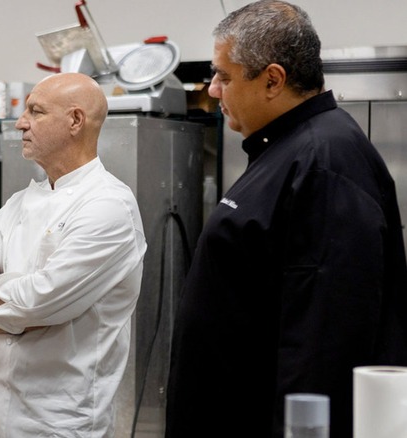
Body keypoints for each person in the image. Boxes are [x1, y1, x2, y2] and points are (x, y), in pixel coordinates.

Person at [165, 2, 407, 437]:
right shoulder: (286, 150)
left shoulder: (325, 163)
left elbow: (324, 344)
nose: (214, 90)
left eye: (224, 75)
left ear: (273, 80)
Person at [0, 72, 147, 437]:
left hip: (57, 420)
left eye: (36, 112)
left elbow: (42, 300)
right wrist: (18, 306)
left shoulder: (109, 206)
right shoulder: (16, 206)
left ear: (75, 120)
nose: (21, 123)